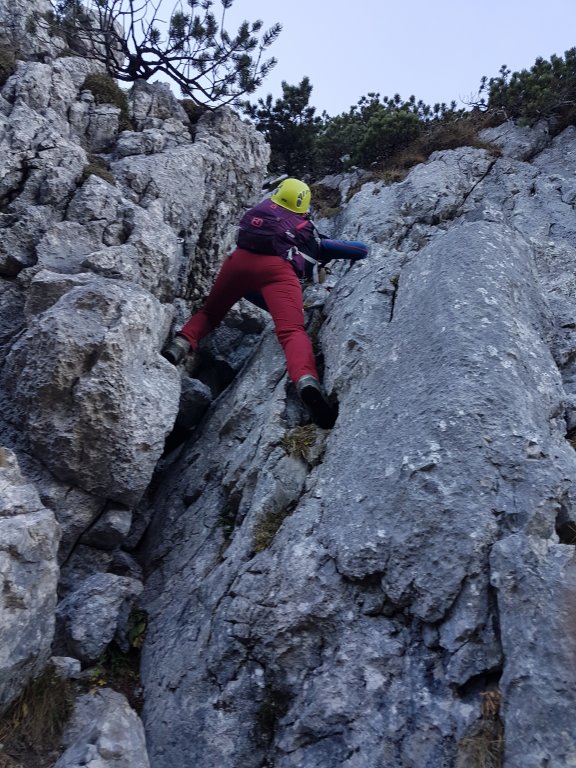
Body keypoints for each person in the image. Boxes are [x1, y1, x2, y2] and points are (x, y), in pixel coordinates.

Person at [162, 178, 368, 429]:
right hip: (276, 272)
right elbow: (360, 250)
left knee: (210, 313)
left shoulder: (261, 214)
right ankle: (306, 382)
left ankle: (179, 346)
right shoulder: (304, 230)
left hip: (237, 262)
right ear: (303, 205)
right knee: (292, 332)